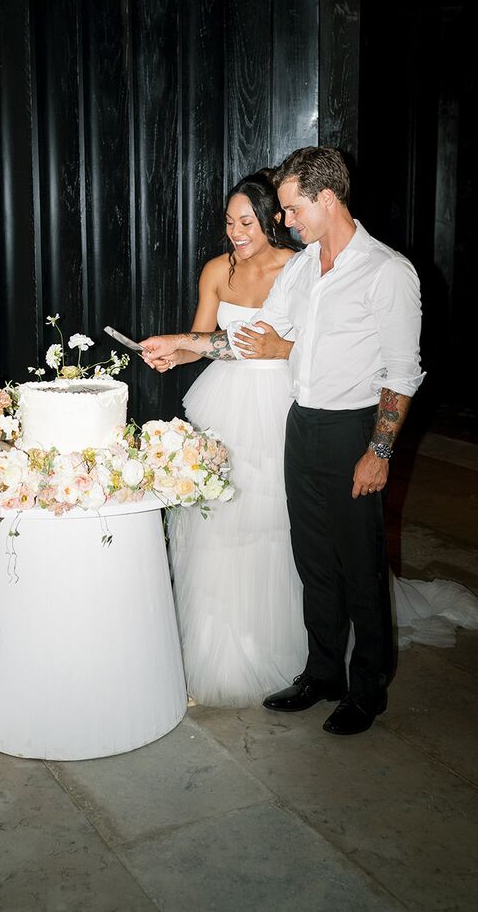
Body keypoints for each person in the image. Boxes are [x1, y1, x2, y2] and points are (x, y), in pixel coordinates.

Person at [142, 146, 425, 736]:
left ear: (326, 199)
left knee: (360, 566)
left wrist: (379, 451)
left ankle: (366, 690)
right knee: (313, 560)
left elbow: (401, 372)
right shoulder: (301, 270)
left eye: (293, 209)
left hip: (354, 428)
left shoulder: (387, 272)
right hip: (300, 422)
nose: (286, 221)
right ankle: (322, 673)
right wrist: (181, 344)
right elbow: (252, 342)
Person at [150, 172, 308, 707]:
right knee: (217, 523)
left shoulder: (299, 268)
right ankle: (220, 646)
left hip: (282, 403)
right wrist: (176, 353)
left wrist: (280, 349)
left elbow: (316, 345)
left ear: (271, 219)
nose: (235, 232)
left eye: (246, 221)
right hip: (226, 401)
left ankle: (285, 646)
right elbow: (204, 341)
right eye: (228, 222)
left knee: (275, 523)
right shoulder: (217, 270)